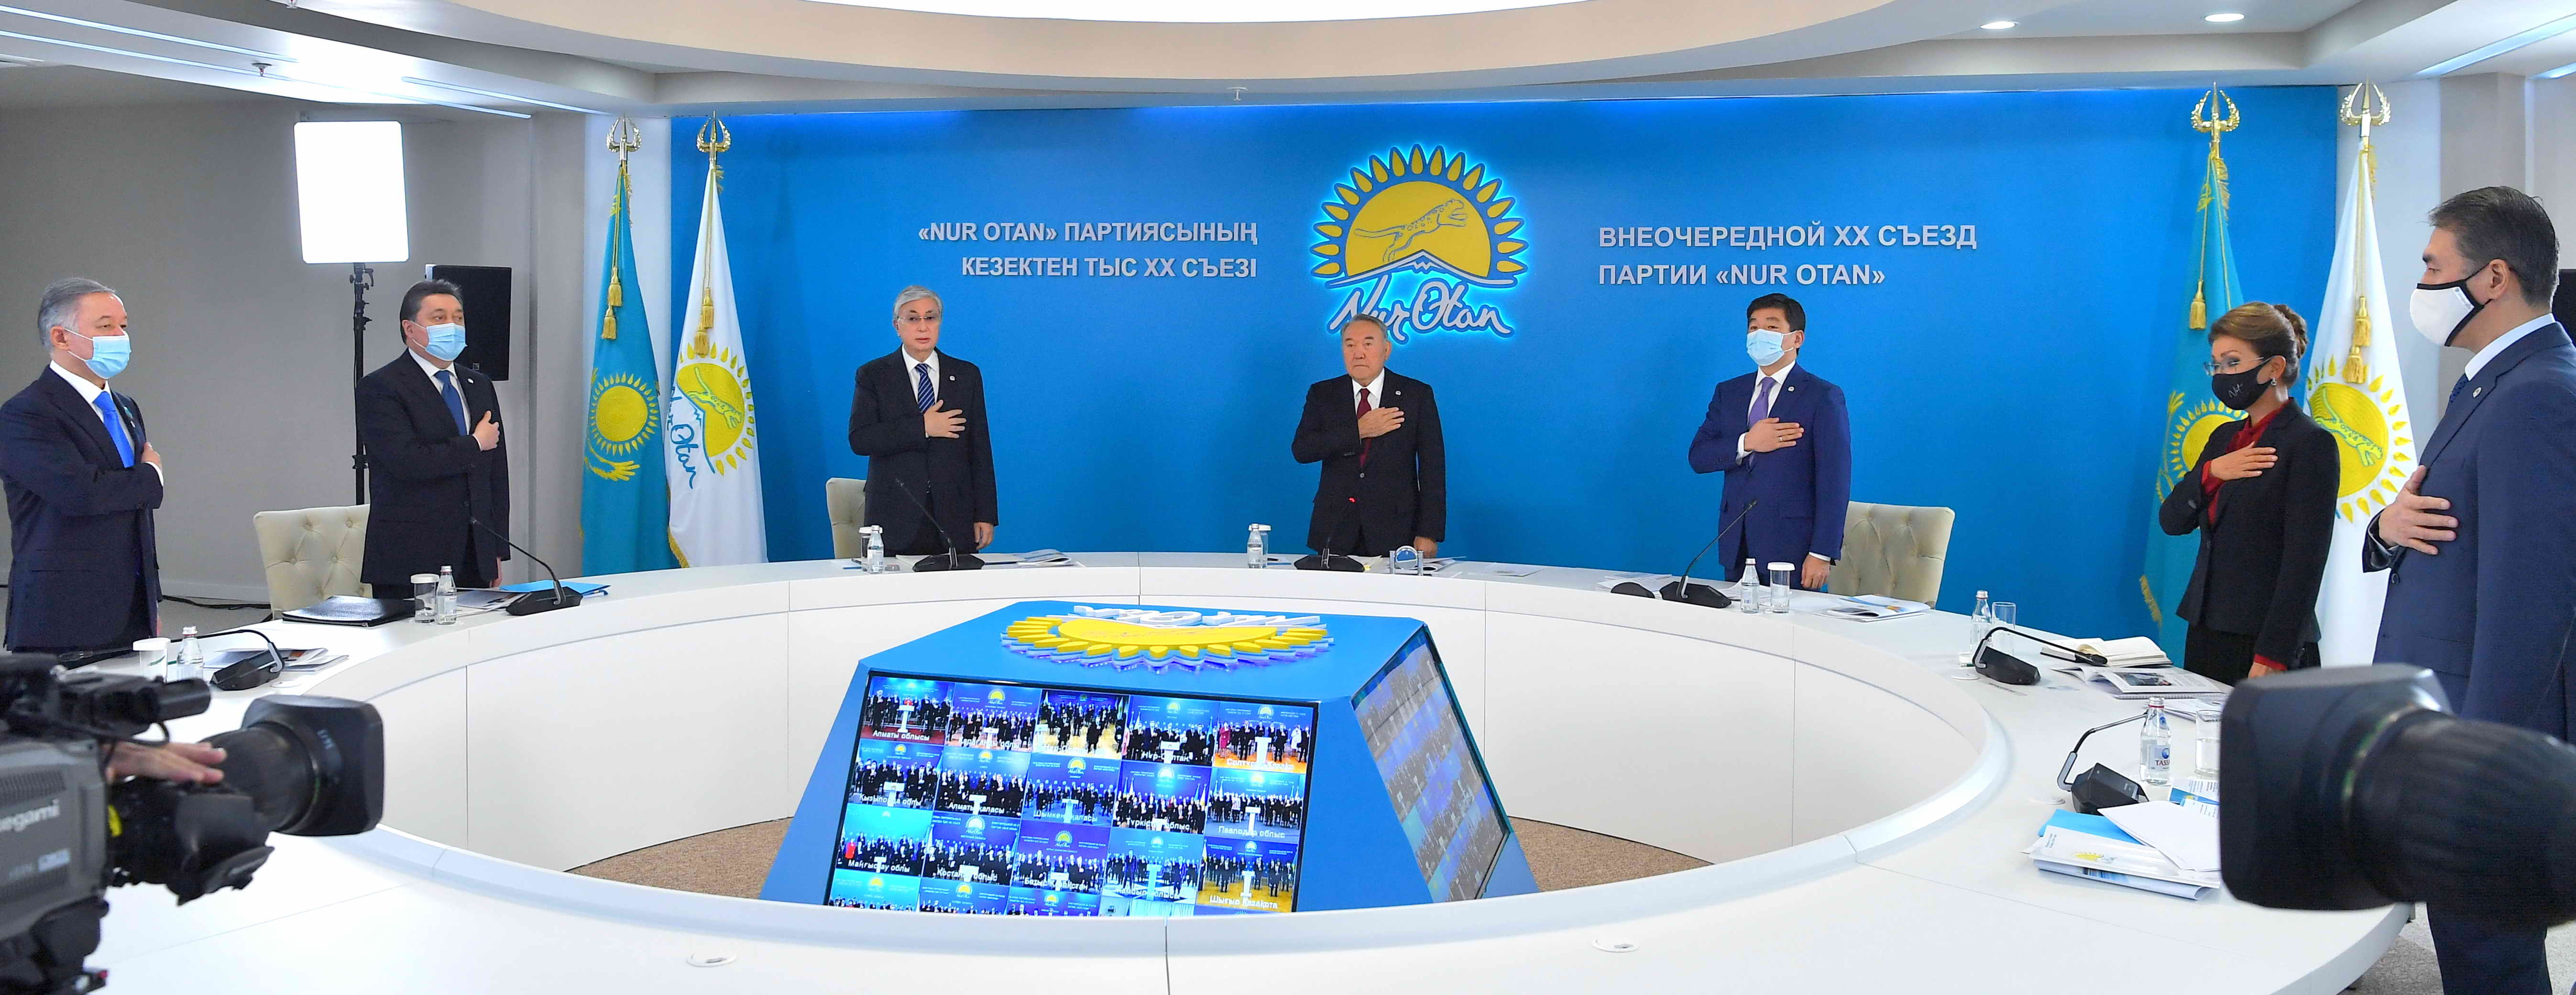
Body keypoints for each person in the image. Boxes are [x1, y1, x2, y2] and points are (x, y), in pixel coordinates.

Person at [2364, 186, 2574, 995]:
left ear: (2490, 278)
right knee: (2468, 944)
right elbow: (2448, 530)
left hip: (2484, 741)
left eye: (2430, 266)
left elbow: (2530, 603)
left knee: (2488, 955)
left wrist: (2477, 763)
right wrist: (2385, 528)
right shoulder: (2490, 382)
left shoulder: (2538, 393)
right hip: (2450, 716)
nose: (2419, 285)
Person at [2156, 303, 2336, 684]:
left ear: (2273, 368)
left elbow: (2305, 562)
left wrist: (2274, 654)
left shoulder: (2309, 443)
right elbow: (2172, 520)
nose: (2221, 374)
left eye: (2232, 362)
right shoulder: (2224, 438)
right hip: (2208, 627)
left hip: (2266, 643)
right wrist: (2211, 473)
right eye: (2216, 364)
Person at [1, 278, 164, 656]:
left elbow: (132, 510)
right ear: (61, 337)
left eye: (123, 325)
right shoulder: (26, 413)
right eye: (106, 326)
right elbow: (81, 494)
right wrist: (151, 477)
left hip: (132, 610)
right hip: (63, 615)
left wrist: (150, 603)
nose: (120, 336)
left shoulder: (125, 406)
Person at [1686, 293, 1852, 590]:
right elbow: (1699, 457)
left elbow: (1834, 480)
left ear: (1797, 338)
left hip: (1794, 548)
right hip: (1737, 541)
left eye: (1772, 327)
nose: (1759, 334)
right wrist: (1747, 442)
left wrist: (1822, 552)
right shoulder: (1730, 392)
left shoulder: (1822, 396)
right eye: (1754, 328)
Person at [357, 279, 509, 590]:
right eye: (439, 318)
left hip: (474, 551)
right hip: (412, 553)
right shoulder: (381, 386)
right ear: (410, 329)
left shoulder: (478, 383)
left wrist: (495, 549)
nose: (452, 326)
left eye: (458, 318)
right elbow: (406, 461)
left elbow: (495, 472)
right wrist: (474, 444)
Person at [847, 286, 997, 557]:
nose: (923, 326)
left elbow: (980, 449)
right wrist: (923, 427)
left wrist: (985, 514)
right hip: (895, 515)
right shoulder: (874, 375)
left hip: (955, 516)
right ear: (897, 326)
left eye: (931, 317)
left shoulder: (966, 374)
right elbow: (861, 439)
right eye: (913, 318)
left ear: (940, 323)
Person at [1291, 315, 1445, 558]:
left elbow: (1432, 468)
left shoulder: (1415, 395)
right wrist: (1359, 430)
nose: (1358, 353)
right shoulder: (1324, 394)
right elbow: (1303, 450)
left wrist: (1429, 532)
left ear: (1387, 349)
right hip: (1335, 528)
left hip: (1396, 528)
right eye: (1350, 345)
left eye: (1368, 344)